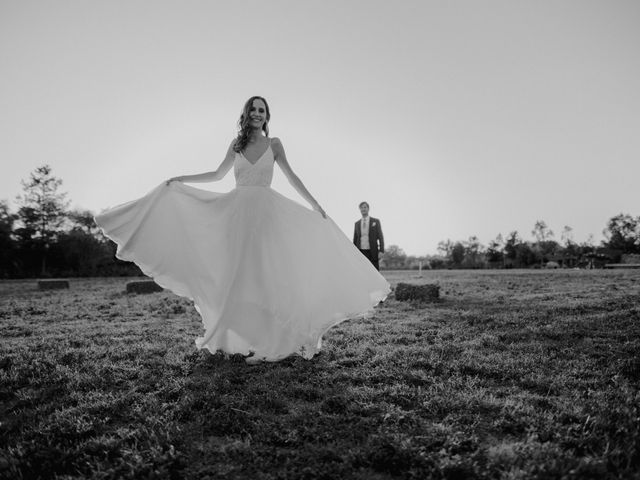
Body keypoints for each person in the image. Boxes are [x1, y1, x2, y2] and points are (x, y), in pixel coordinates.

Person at [95, 96, 389, 363]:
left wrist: (315, 205)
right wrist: (182, 178)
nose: (258, 114)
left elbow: (291, 176)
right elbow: (217, 174)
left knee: (266, 274)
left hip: (267, 216)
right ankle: (235, 335)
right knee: (236, 275)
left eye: (262, 110)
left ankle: (275, 336)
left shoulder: (274, 144)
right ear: (246, 114)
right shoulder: (236, 145)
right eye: (253, 110)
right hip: (236, 216)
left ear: (267, 115)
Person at [353, 202, 384, 270]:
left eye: (365, 207)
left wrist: (381, 251)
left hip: (373, 251)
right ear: (360, 210)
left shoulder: (375, 221)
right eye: (361, 208)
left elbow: (381, 237)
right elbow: (355, 239)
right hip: (361, 251)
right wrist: (354, 252)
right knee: (362, 270)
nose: (363, 209)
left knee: (374, 270)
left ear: (368, 209)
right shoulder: (357, 224)